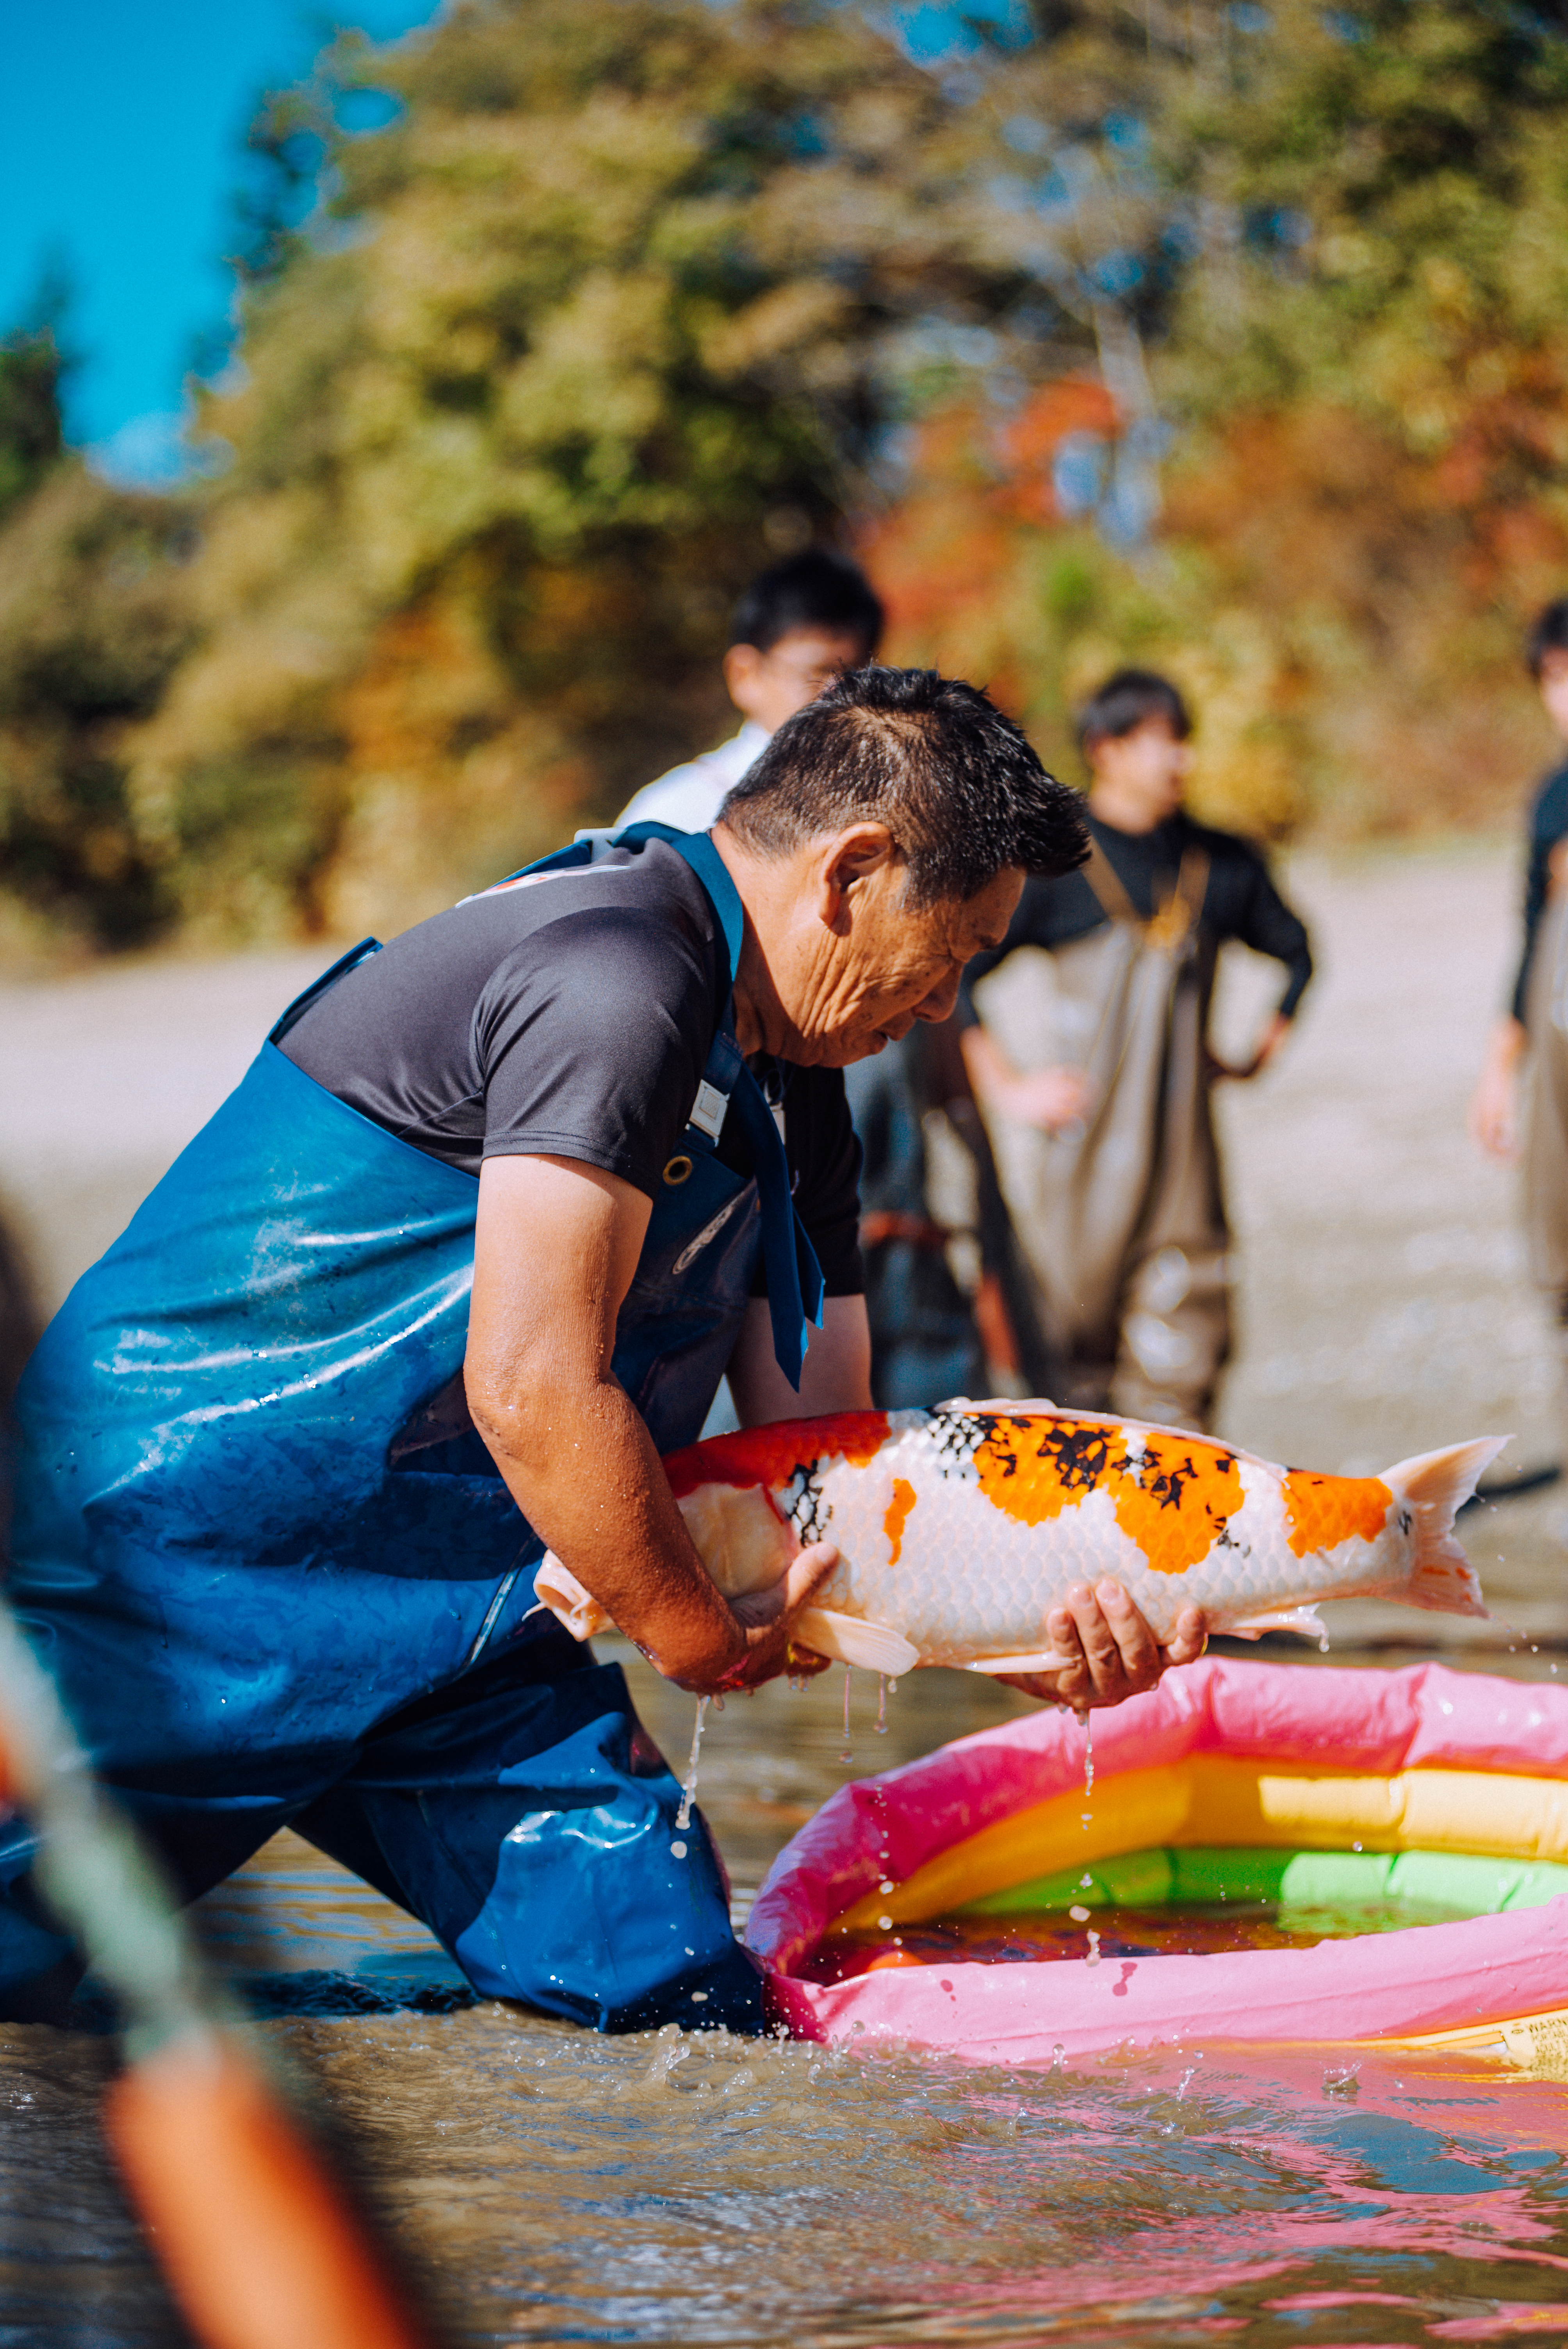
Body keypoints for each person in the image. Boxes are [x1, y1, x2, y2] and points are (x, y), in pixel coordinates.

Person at [3, 668, 1210, 2032]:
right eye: (958, 950)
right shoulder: (614, 967)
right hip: (168, 1573)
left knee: (675, 1997)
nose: (944, 1008)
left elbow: (832, 1472)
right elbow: (528, 1385)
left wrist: (1020, 1632)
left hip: (466, 1618)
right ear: (852, 871)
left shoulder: (805, 1095)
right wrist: (698, 1632)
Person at [959, 668, 1313, 1433]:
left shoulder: (1220, 862)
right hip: (1081, 1156)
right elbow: (957, 978)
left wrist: (1253, 1052)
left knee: (1184, 1366)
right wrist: (1011, 1087)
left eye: (1184, 741)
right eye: (1159, 742)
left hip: (1187, 1157)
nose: (1179, 759)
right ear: (1105, 749)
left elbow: (1298, 952)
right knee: (1066, 1359)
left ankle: (1178, 1537)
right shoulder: (1056, 863)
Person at [1468, 598, 1568, 1475]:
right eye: (1556, 678)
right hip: (1557, 1058)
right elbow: (1533, 933)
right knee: (1559, 1257)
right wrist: (1500, 1071)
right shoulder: (1550, 800)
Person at [615, 547, 884, 832]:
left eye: (857, 674)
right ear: (744, 674)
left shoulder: (890, 794)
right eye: (817, 671)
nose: (839, 692)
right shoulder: (674, 817)